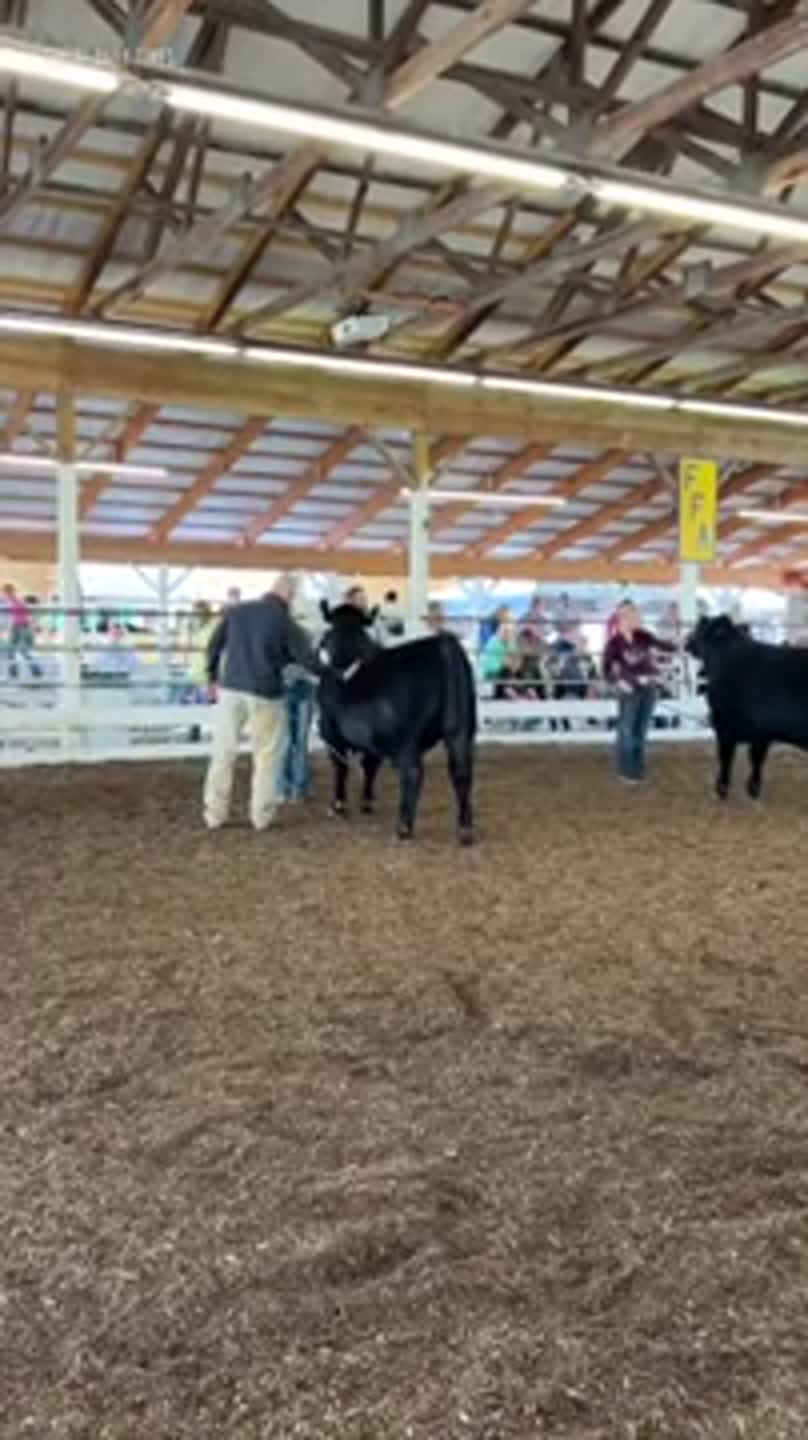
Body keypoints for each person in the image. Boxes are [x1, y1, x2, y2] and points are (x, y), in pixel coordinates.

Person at [203, 574, 320, 832]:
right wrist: (331, 675)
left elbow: (214, 646)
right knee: (266, 756)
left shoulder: (237, 612)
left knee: (222, 752)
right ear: (290, 595)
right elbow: (307, 659)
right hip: (265, 692)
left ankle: (214, 814)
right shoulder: (284, 622)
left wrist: (211, 677)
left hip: (231, 688)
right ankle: (261, 816)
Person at [602, 600, 675, 784]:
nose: (636, 617)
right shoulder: (614, 644)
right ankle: (626, 770)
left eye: (635, 614)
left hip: (648, 688)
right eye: (631, 614)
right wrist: (619, 681)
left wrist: (680, 642)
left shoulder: (643, 636)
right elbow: (607, 670)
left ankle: (638, 769)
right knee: (627, 730)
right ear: (622, 618)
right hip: (629, 690)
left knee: (640, 730)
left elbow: (664, 646)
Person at [2, 583, 41, 679]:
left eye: (6, 592)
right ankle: (14, 671)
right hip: (16, 626)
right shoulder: (10, 601)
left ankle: (35, 670)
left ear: (10, 591)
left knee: (22, 650)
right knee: (11, 650)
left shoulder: (16, 601)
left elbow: (25, 614)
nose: (4, 594)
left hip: (20, 626)